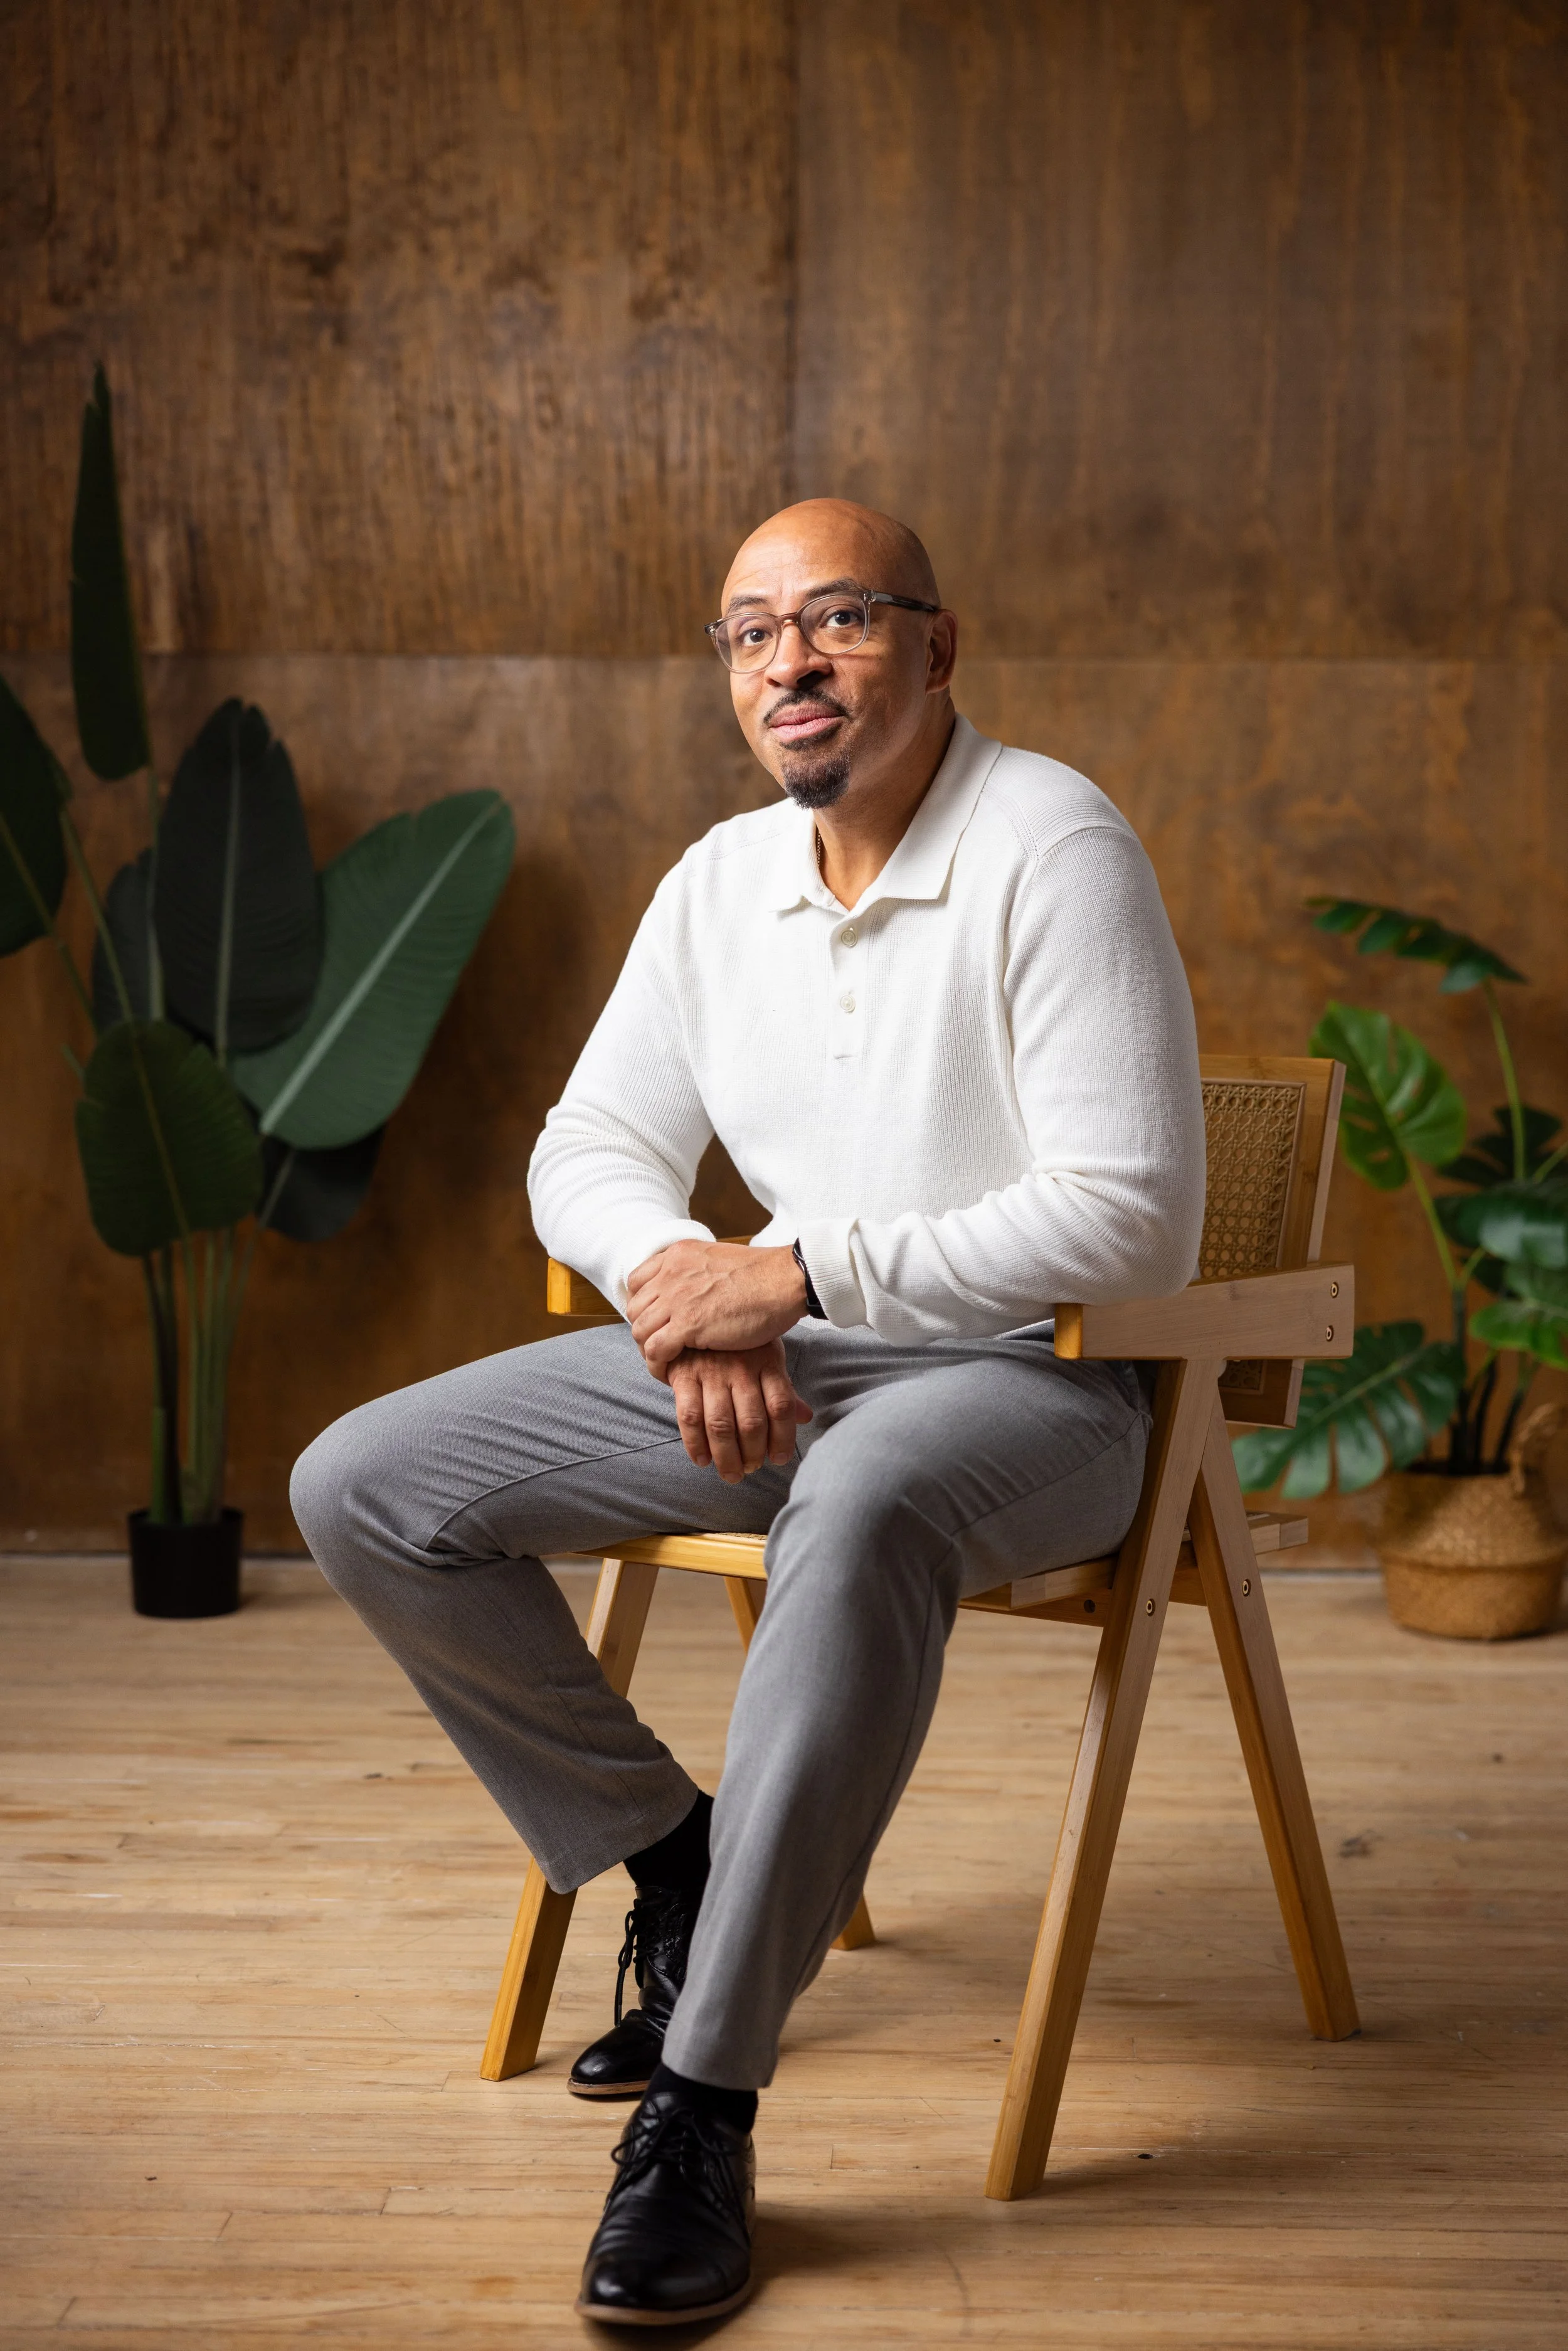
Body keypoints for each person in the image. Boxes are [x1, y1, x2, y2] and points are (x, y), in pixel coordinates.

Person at [290, 498, 1205, 2328]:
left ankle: (704, 2104)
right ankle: (673, 1853)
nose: (785, 659)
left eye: (837, 617)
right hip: (787, 1363)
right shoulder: (720, 882)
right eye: (746, 631)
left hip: (1037, 1381)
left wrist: (781, 1275)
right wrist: (681, 1280)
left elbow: (1128, 1216)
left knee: (858, 1507)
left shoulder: (1053, 842)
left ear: (935, 648)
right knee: (364, 1480)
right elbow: (587, 1148)